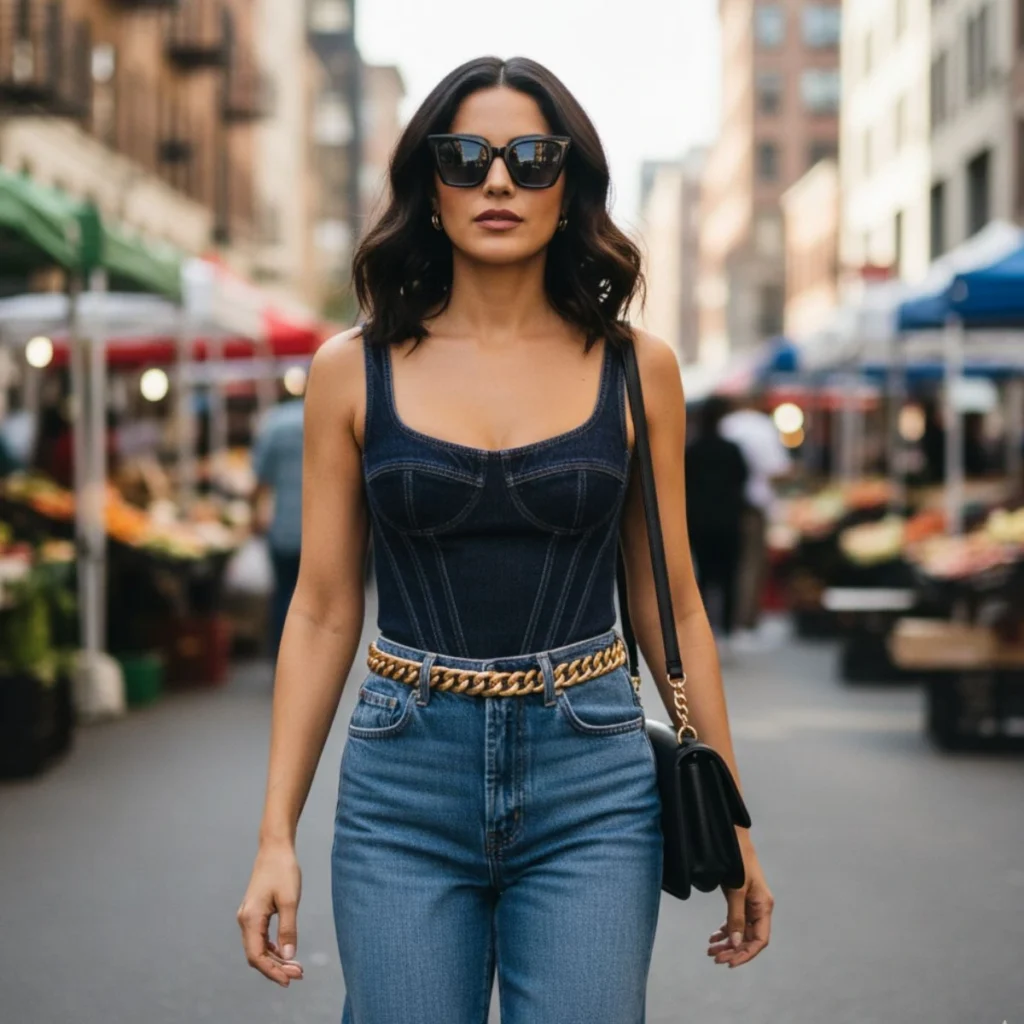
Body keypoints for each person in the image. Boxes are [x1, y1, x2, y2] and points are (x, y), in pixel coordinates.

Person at [236, 56, 774, 1021]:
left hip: (594, 778)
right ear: (427, 185)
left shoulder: (637, 369)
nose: (497, 180)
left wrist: (732, 821)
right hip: (403, 775)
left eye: (532, 157)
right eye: (466, 156)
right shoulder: (347, 371)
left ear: (569, 186)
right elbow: (320, 610)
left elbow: (675, 601)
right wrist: (275, 832)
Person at [720, 393, 791, 644]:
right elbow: (778, 470)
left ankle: (725, 618)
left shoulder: (727, 425)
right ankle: (744, 620)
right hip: (754, 505)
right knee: (750, 563)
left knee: (727, 564)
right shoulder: (763, 428)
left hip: (724, 507)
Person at [685, 397, 748, 649]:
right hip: (728, 519)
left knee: (703, 574)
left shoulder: (692, 450)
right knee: (730, 574)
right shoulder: (731, 449)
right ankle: (729, 628)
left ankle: (706, 626)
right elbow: (742, 478)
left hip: (699, 521)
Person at [251, 394, 305, 659]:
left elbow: (260, 479)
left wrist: (253, 515)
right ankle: (307, 659)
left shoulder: (274, 423)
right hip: (322, 531)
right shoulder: (324, 416)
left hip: (282, 527)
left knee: (284, 593)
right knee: (318, 598)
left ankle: (282, 658)